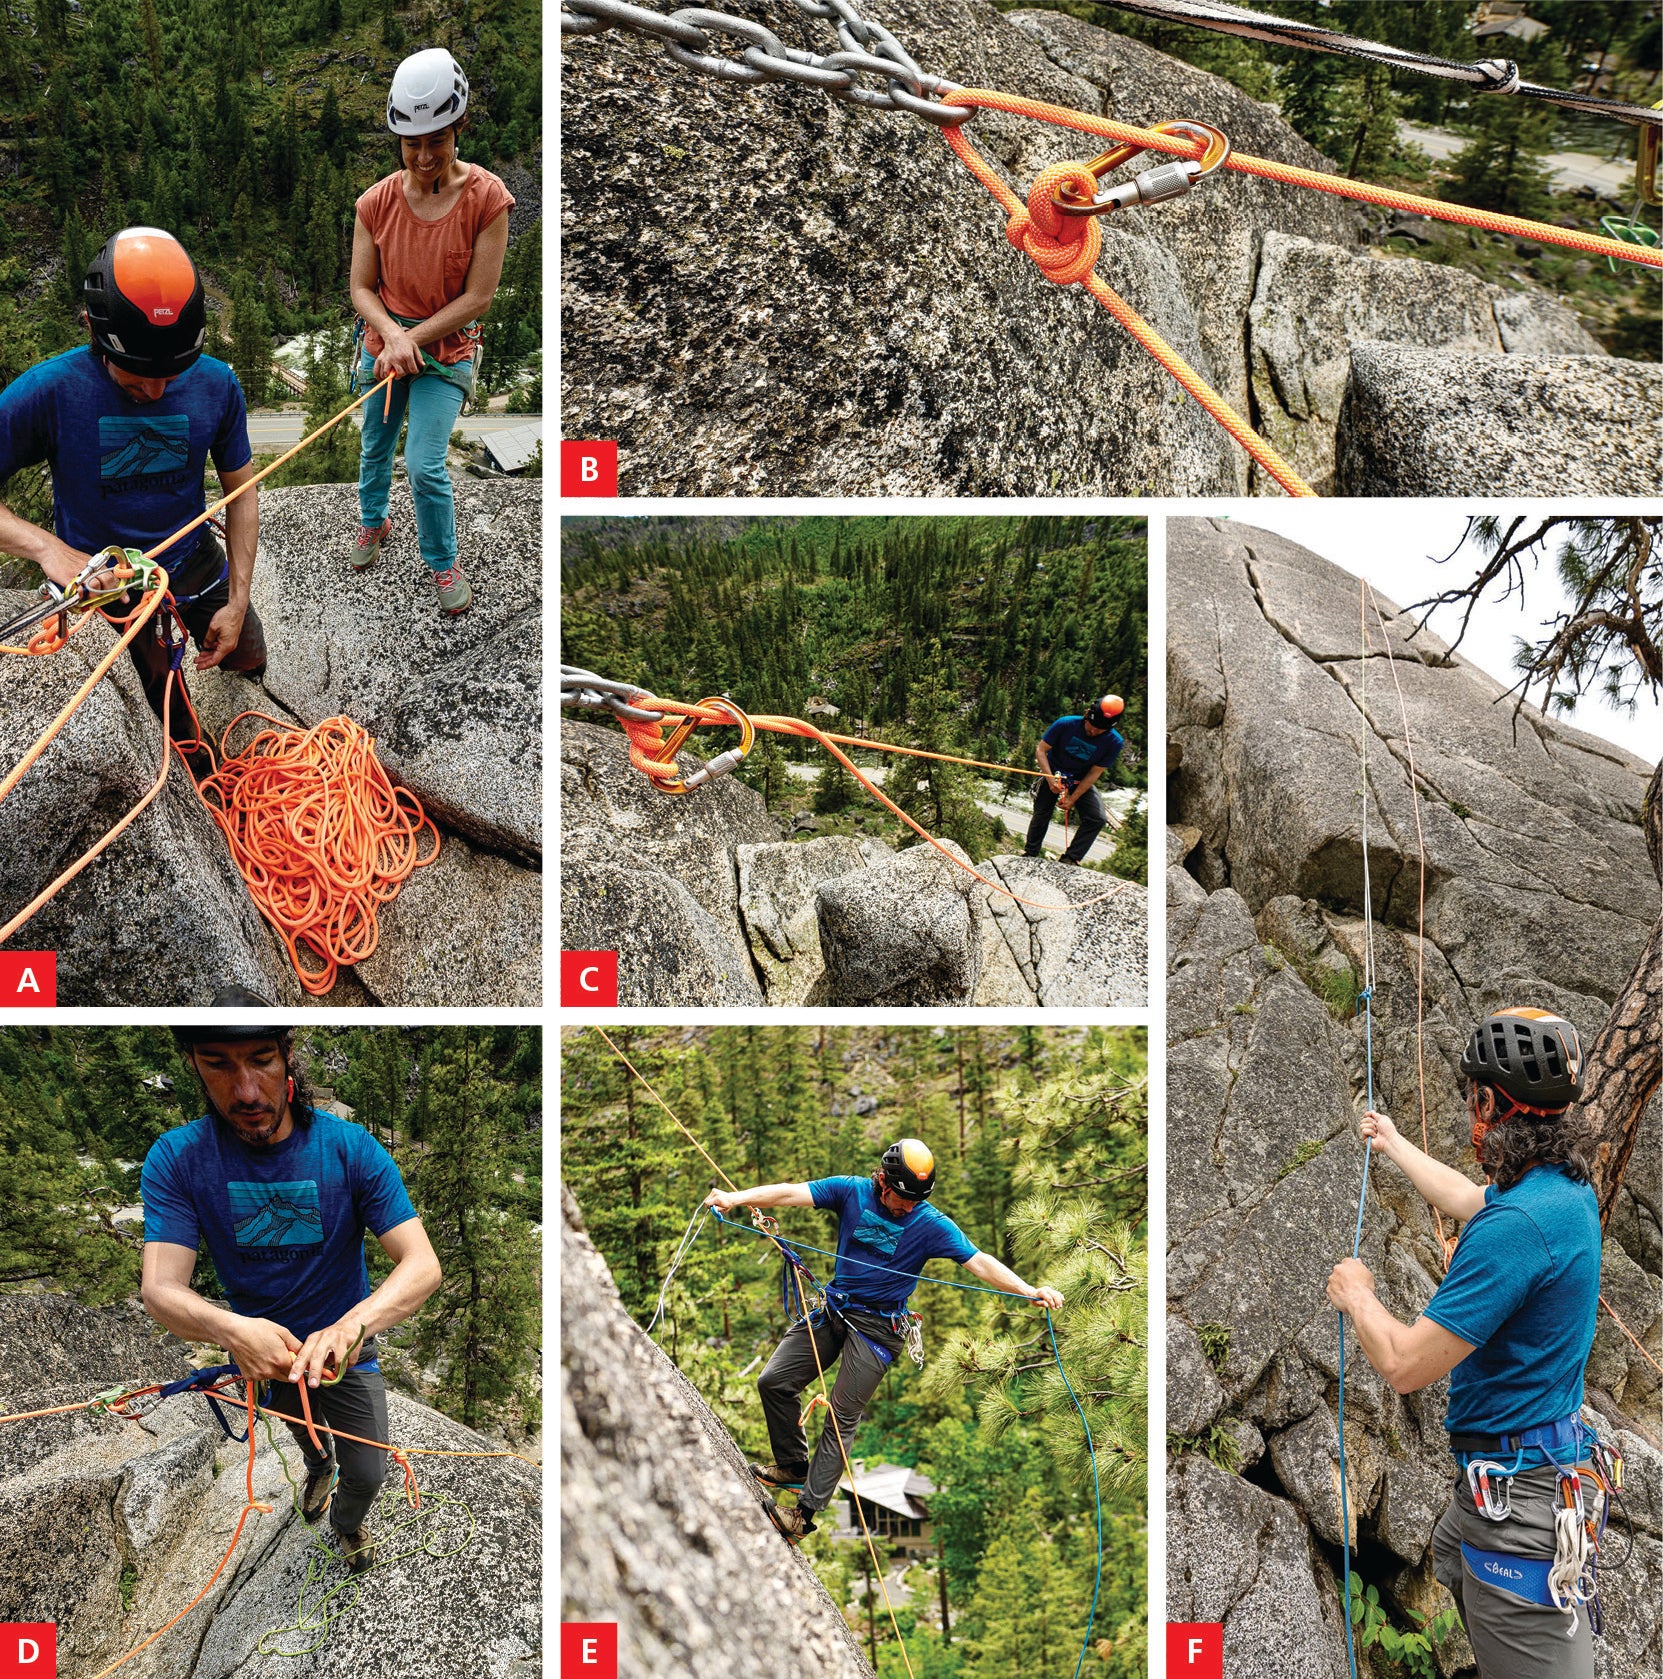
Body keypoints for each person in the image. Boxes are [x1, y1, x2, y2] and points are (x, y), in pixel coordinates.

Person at [1325, 1007, 1604, 1679]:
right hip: (1520, 1476)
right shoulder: (1562, 1190)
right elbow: (1466, 1196)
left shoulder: (1517, 1227)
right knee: (1450, 1552)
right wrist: (1391, 1142)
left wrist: (1357, 1293)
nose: (1468, 1112)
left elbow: (1402, 1363)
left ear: (1496, 1101)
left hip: (1518, 1512)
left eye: (1473, 1095)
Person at [140, 1025, 442, 1573]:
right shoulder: (178, 1159)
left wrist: (353, 1326)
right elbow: (160, 1288)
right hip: (263, 1350)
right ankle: (317, 1464)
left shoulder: (349, 1149)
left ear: (288, 1058)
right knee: (301, 1429)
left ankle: (347, 1523)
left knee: (370, 1470)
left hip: (344, 1350)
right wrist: (232, 1331)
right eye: (219, 1066)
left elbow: (422, 1264)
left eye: (261, 1061)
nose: (248, 1091)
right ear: (193, 1066)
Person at [704, 1138, 1064, 1545]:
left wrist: (1027, 1288)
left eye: (915, 1201)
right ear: (884, 1181)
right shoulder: (851, 1191)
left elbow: (978, 1261)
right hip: (837, 1308)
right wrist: (736, 1198)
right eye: (901, 1199)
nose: (907, 1208)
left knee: (841, 1417)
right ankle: (793, 1464)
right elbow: (791, 1192)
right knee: (774, 1380)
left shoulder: (929, 1223)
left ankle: (802, 1516)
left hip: (879, 1330)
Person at [0, 226, 265, 728]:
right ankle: (192, 779)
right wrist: (47, 549)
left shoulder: (215, 384)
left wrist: (238, 597)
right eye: (136, 375)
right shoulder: (51, 391)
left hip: (192, 559)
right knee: (166, 711)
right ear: (92, 331)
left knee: (247, 649)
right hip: (105, 580)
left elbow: (242, 493)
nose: (158, 390)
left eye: (172, 373)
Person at [349, 46, 514, 616]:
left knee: (422, 462)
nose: (423, 155)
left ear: (458, 125)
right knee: (375, 443)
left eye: (435, 140)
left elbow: (479, 297)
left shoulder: (488, 199)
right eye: (411, 142)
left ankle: (442, 561)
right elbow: (362, 289)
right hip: (387, 342)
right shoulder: (375, 204)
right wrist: (392, 337)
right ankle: (374, 522)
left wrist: (408, 340)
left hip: (445, 349)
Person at [1024, 693, 1125, 866]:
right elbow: (1041, 750)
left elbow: (1095, 772)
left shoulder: (1114, 742)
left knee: (1097, 818)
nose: (1093, 731)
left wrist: (1073, 798)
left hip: (1080, 779)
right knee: (1042, 813)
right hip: (1052, 772)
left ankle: (1070, 858)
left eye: (1099, 730)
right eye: (1091, 726)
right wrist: (1050, 780)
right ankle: (1030, 853)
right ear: (1087, 715)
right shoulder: (1066, 724)